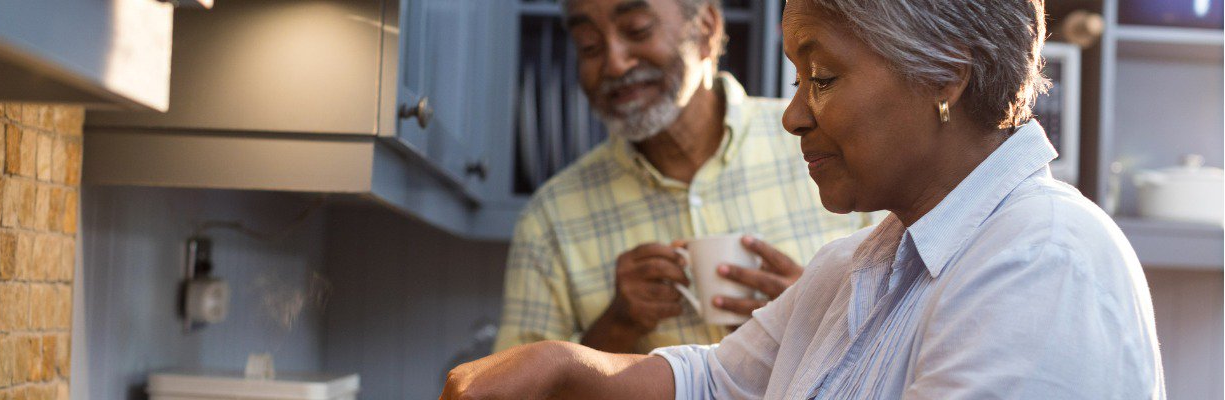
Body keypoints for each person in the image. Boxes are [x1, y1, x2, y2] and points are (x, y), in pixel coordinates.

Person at [446, 0, 1166, 397]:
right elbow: (716, 382)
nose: (793, 113)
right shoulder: (854, 265)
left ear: (946, 75)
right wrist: (569, 364)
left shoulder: (1044, 258)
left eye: (820, 76)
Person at [494, 0, 871, 355]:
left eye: (638, 31)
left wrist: (817, 312)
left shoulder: (830, 150)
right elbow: (514, 388)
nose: (614, 64)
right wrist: (615, 328)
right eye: (589, 46)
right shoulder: (549, 220)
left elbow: (911, 333)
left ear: (706, 29)